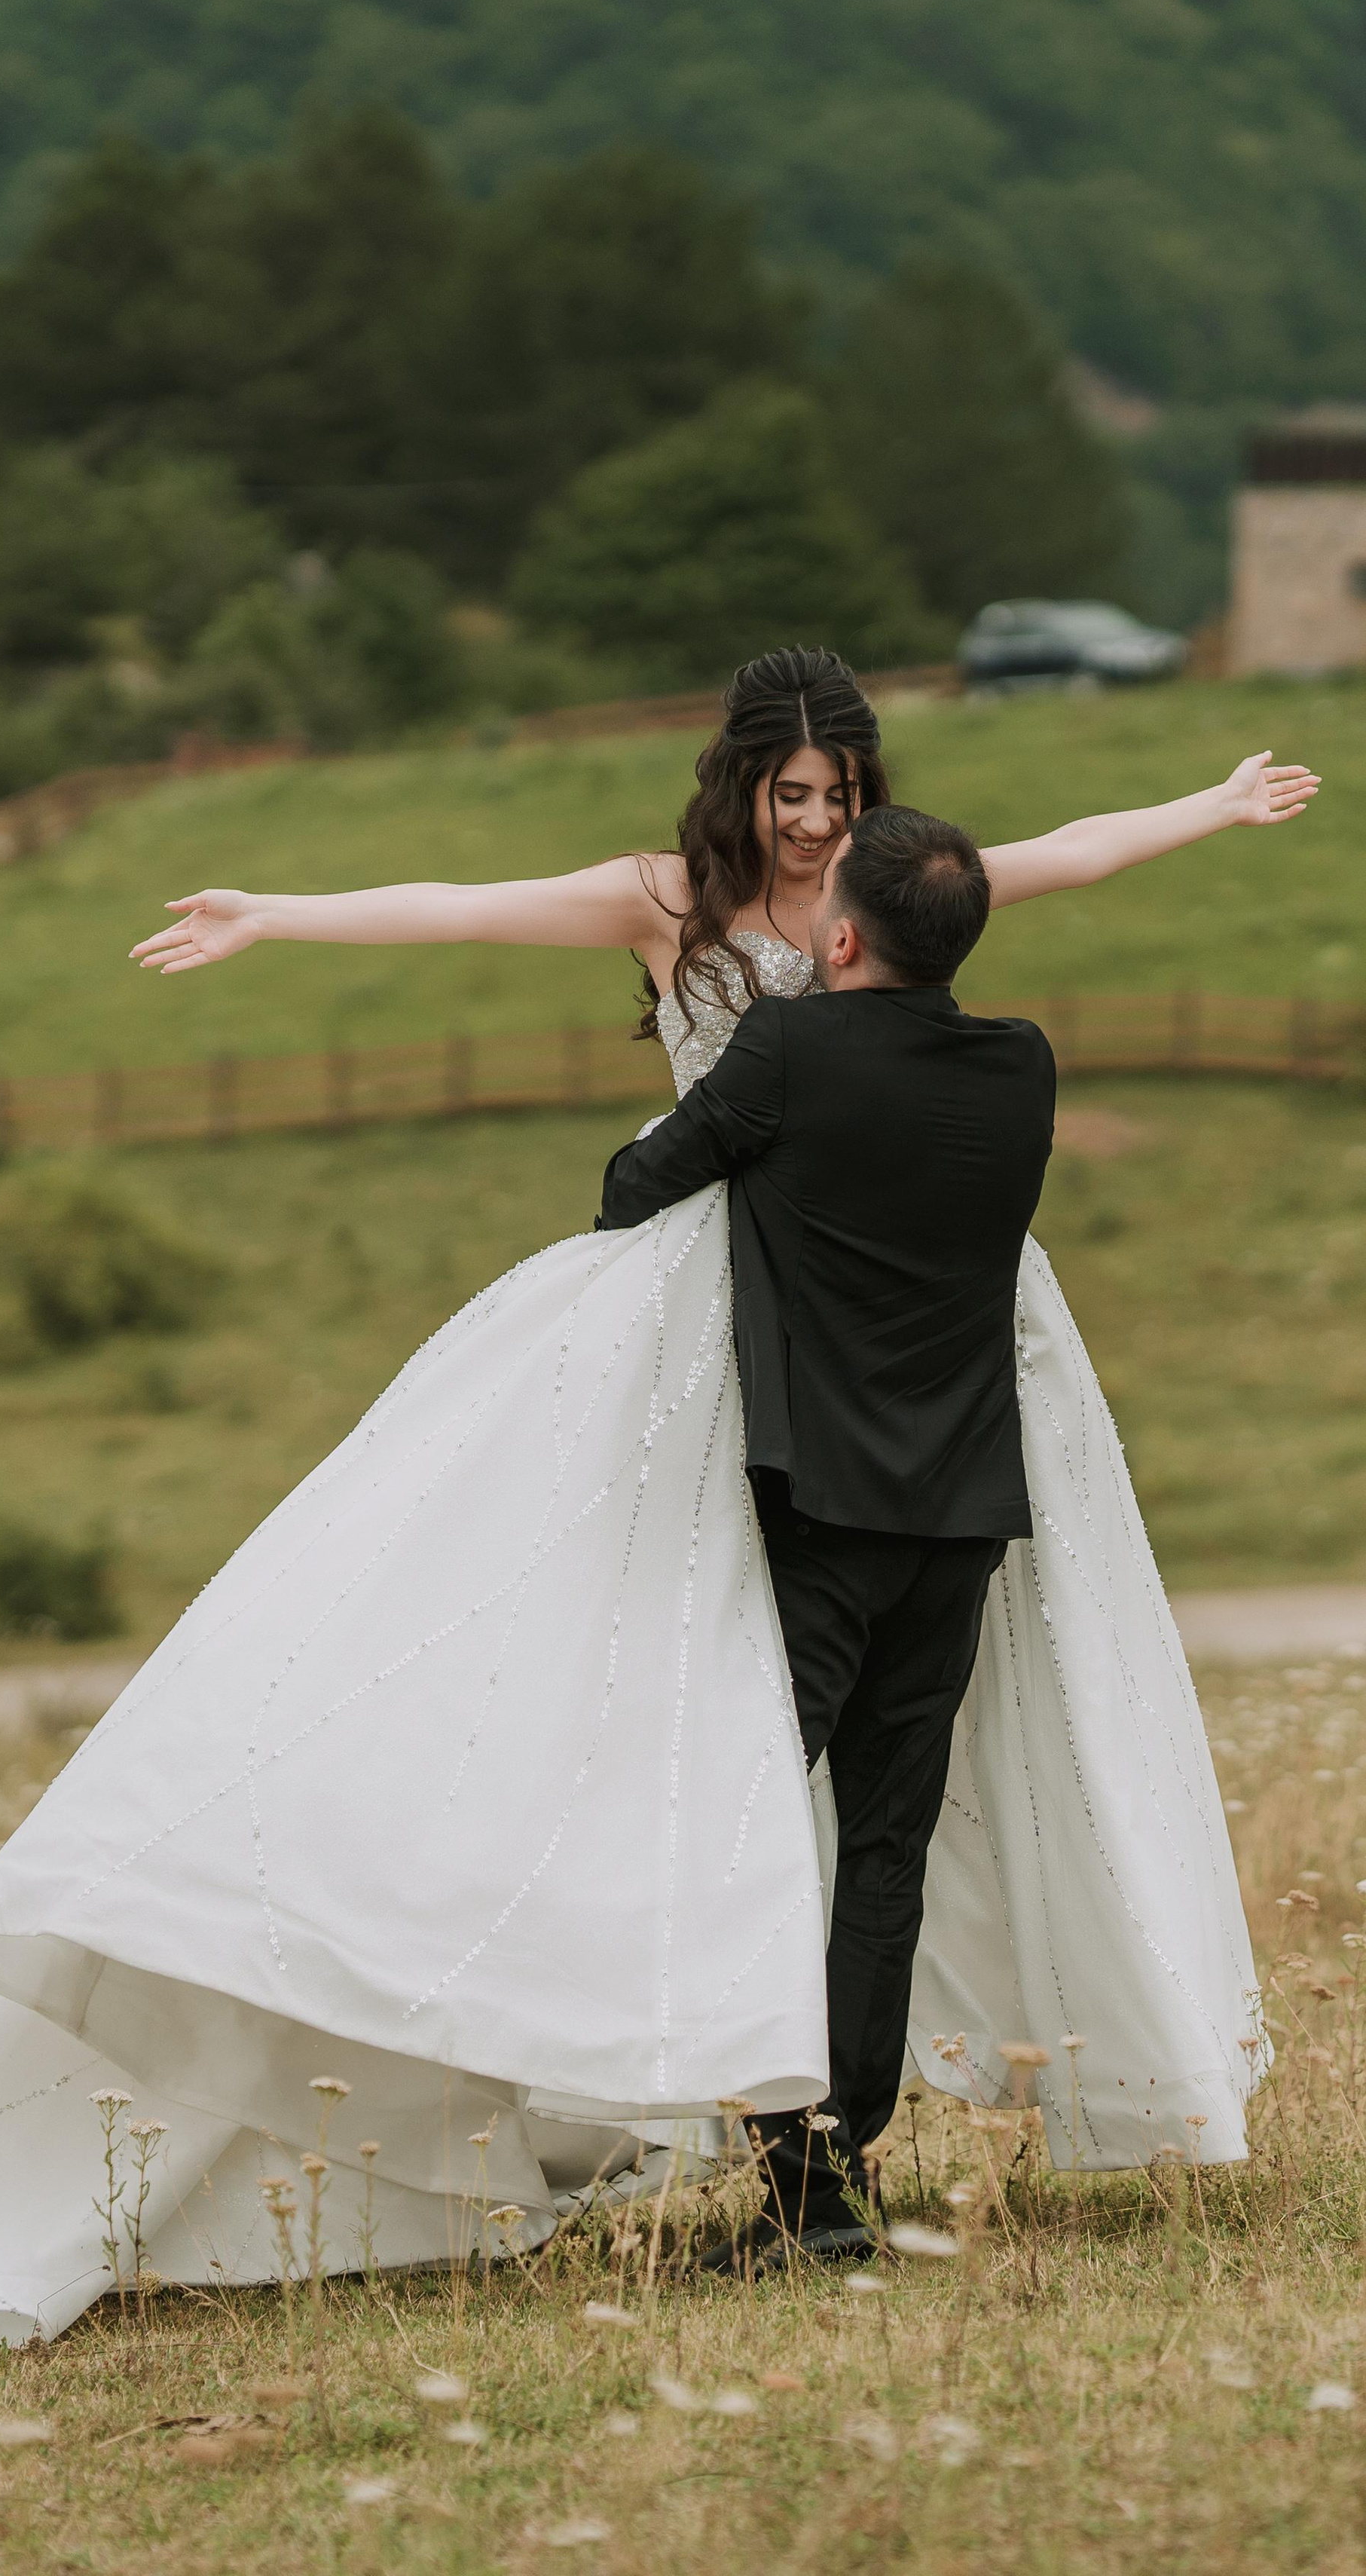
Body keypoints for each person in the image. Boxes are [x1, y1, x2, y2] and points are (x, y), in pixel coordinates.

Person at [0, 653, 1312, 2344]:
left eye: (838, 793)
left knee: (866, 1775)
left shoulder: (895, 884)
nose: (812, 822)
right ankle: (714, 2110)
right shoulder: (670, 901)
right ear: (740, 784)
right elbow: (461, 906)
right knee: (672, 1726)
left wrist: (1210, 804)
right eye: (790, 792)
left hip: (887, 1339)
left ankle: (797, 2151)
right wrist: (277, 916)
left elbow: (1068, 849)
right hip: (720, 1329)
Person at [598, 803, 1054, 2264]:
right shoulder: (1022, 1066)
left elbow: (635, 1189)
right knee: (884, 1848)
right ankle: (829, 2183)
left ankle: (786, 2166)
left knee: (735, 1818)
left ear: (840, 938)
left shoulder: (789, 1051)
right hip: (961, 1515)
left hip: (815, 1515)